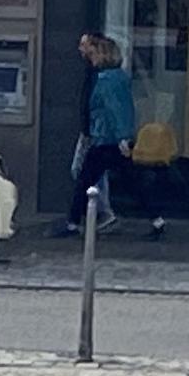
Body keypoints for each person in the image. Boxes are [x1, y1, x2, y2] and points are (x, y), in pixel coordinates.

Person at [63, 36, 165, 239]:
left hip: (105, 139)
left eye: (93, 54)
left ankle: (73, 224)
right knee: (131, 181)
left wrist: (121, 137)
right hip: (112, 140)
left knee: (85, 180)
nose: (90, 57)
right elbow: (124, 110)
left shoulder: (105, 81)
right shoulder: (119, 78)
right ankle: (156, 219)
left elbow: (113, 110)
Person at [72, 32, 115, 229]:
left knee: (82, 170)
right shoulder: (94, 71)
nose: (80, 48)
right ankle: (98, 212)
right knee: (94, 172)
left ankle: (98, 213)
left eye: (83, 45)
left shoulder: (99, 73)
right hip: (92, 129)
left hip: (95, 131)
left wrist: (92, 128)